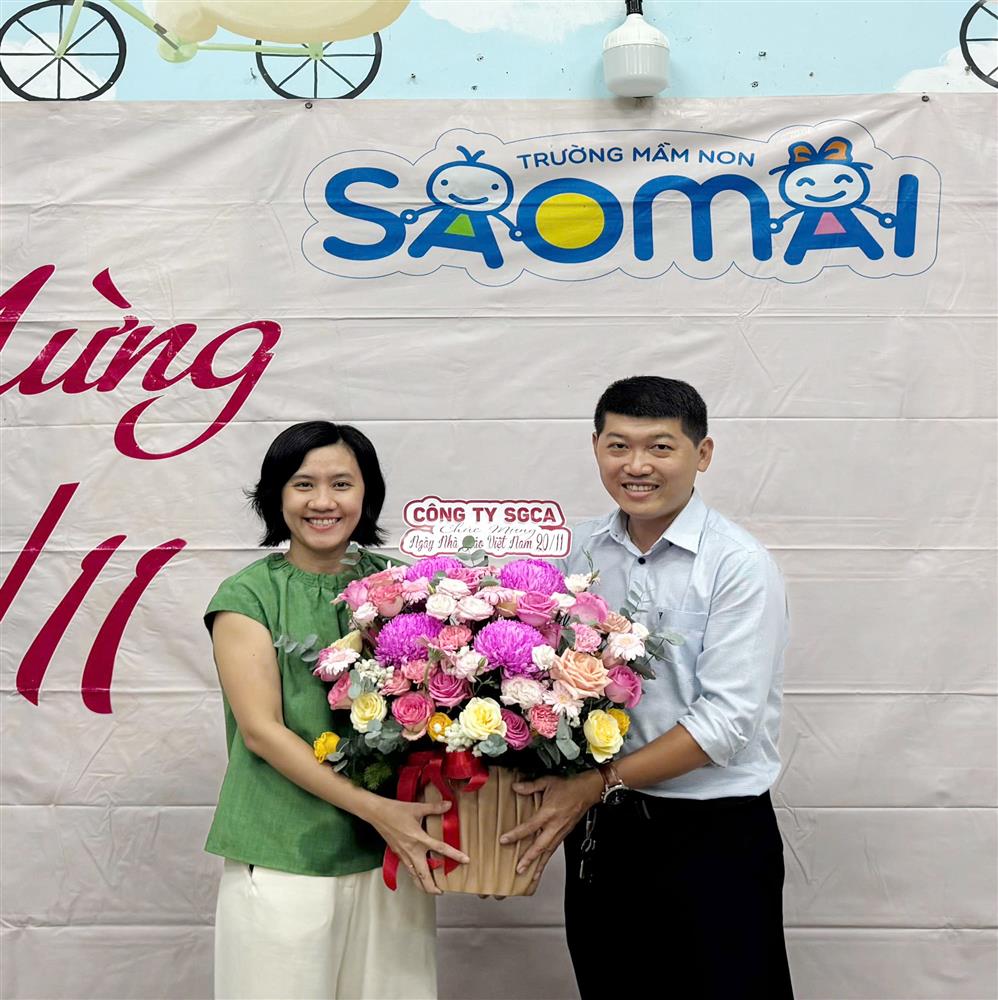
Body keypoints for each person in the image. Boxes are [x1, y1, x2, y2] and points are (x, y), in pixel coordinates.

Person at [502, 377, 794, 999]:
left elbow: (726, 724)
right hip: (600, 832)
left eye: (660, 447)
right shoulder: (575, 553)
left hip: (712, 834)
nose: (636, 466)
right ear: (596, 448)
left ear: (702, 454)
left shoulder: (737, 564)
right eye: (619, 446)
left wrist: (598, 781)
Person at [204, 420, 467, 1000]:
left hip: (392, 853)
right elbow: (261, 732)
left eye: (341, 484)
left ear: (366, 493)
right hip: (285, 851)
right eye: (303, 484)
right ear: (276, 495)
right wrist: (377, 810)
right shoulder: (247, 596)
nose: (323, 502)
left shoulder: (405, 588)